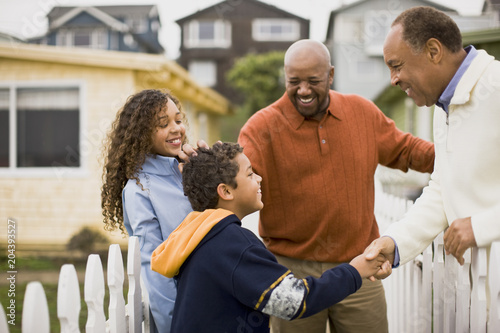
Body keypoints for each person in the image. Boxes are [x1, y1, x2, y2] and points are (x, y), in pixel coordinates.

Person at [237, 39, 435, 333]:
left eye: (313, 81)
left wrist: (458, 158)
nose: (303, 90)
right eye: (294, 82)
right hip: (292, 273)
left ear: (330, 75)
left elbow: (407, 150)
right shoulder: (261, 127)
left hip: (360, 266)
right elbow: (236, 177)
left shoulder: (361, 112)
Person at [151, 142, 391, 333]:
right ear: (225, 191)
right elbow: (295, 301)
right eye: (250, 174)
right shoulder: (232, 245)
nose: (260, 179)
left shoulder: (198, 236)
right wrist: (356, 271)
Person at [365, 6, 500, 279]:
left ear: (433, 51)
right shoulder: (443, 107)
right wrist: (395, 242)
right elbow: (442, 190)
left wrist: (482, 226)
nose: (393, 80)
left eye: (396, 66)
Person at [101, 89, 192, 332]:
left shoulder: (187, 170)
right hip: (188, 313)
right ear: (141, 135)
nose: (176, 129)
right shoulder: (139, 191)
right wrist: (176, 325)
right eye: (163, 124)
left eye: (178, 120)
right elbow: (155, 271)